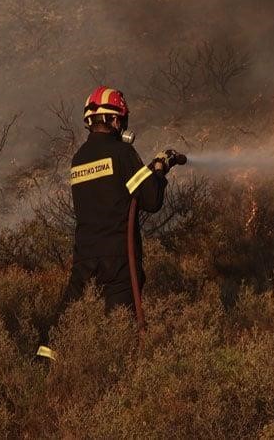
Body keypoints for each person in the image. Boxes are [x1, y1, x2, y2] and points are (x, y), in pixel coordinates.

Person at [36, 85, 177, 362]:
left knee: (65, 321)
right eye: (121, 119)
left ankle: (42, 368)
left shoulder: (79, 159)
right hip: (118, 258)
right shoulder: (121, 153)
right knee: (120, 326)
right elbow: (151, 200)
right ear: (114, 120)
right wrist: (159, 169)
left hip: (84, 256)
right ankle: (117, 382)